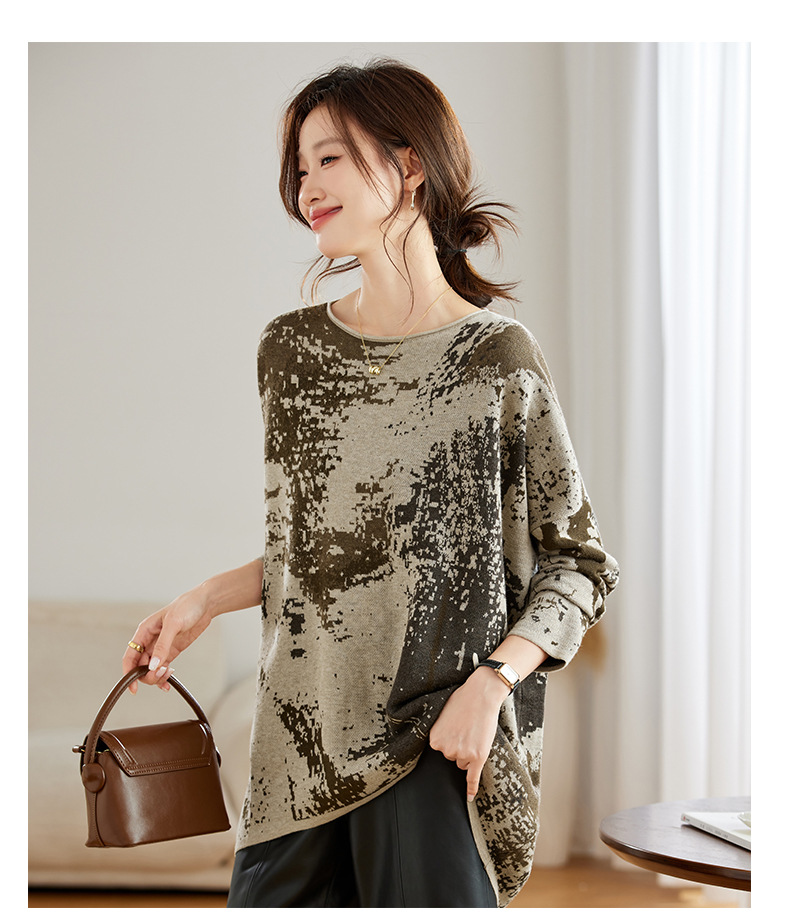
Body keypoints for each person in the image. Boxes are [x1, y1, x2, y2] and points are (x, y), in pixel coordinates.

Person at [122, 59, 619, 909]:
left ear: (410, 164)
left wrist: (492, 684)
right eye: (300, 169)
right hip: (298, 745)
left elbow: (579, 565)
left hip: (436, 741)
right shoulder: (292, 354)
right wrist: (204, 599)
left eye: (330, 159)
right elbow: (320, 556)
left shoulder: (496, 360)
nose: (307, 188)